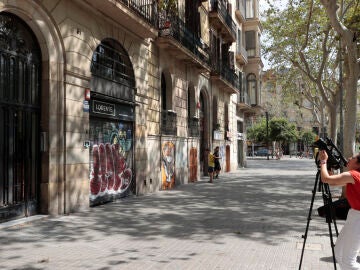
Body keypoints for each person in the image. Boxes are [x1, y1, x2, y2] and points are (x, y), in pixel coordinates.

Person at [319, 150, 360, 270]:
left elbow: (325, 179)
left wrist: (323, 161)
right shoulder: (354, 176)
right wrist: (327, 167)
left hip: (358, 219)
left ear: (358, 164)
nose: (349, 158)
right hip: (354, 216)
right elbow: (332, 181)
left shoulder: (354, 175)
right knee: (339, 252)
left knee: (348, 261)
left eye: (352, 157)